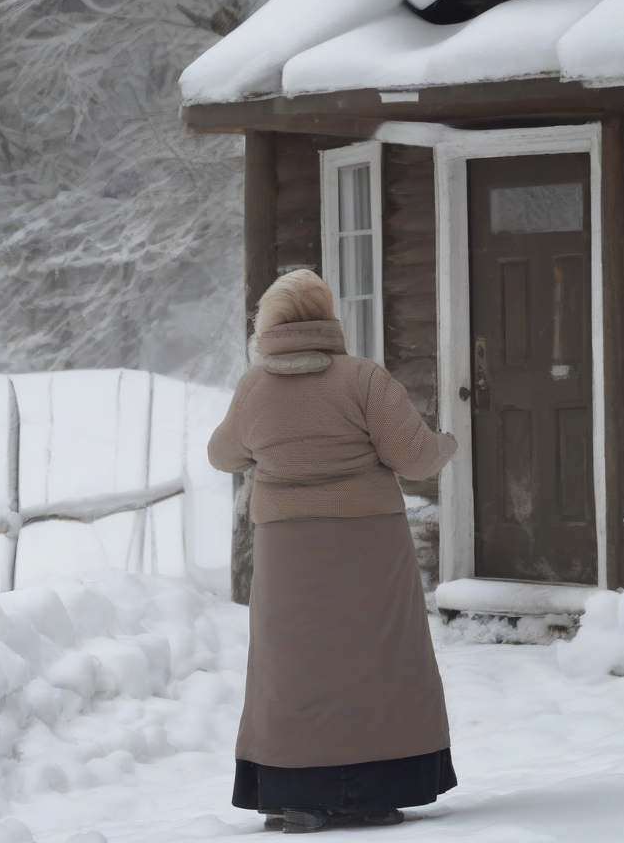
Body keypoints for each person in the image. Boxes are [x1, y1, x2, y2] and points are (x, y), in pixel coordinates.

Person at [208, 269, 459, 834]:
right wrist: (448, 442)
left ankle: (298, 794)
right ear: (327, 318)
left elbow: (223, 455)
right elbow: (415, 458)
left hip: (286, 548)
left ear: (269, 323)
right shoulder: (362, 379)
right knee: (376, 661)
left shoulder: (254, 387)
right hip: (368, 542)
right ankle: (374, 793)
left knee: (293, 667)